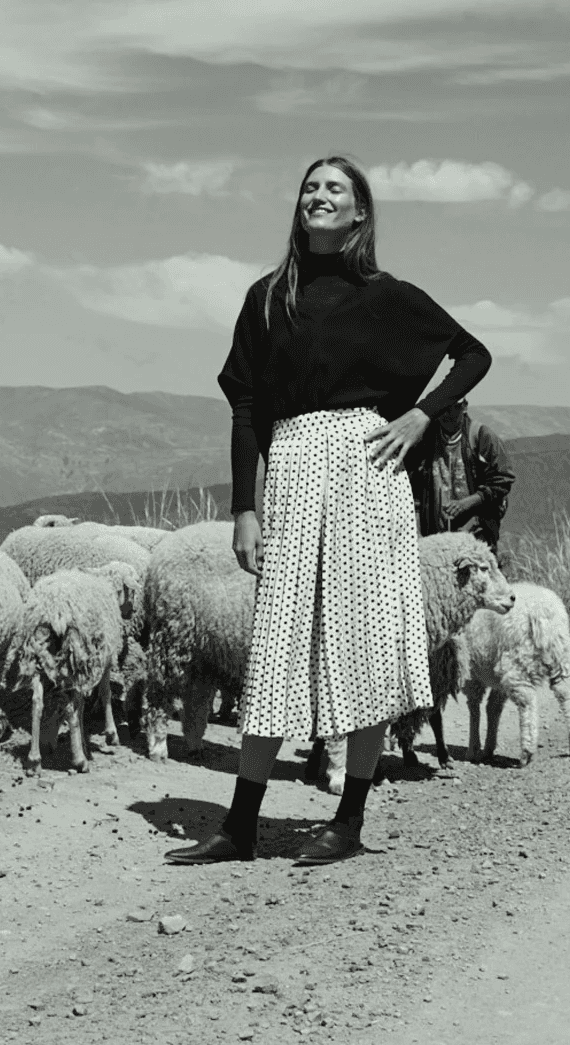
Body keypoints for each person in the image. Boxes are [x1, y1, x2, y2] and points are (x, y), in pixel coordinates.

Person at [165, 155, 492, 869]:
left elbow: (473, 355)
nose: (319, 196)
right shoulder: (267, 297)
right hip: (291, 465)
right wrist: (244, 507)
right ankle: (240, 825)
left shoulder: (388, 296)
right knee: (277, 641)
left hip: (368, 471)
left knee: (365, 641)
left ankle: (348, 821)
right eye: (310, 187)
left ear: (359, 211)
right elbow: (246, 405)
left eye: (334, 188)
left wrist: (420, 416)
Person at [406, 398, 515, 558]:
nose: (447, 414)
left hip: (477, 532)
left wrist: (467, 503)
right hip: (437, 534)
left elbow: (502, 480)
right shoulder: (426, 439)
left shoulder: (482, 436)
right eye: (442, 408)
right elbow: (414, 481)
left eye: (453, 408)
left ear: (464, 407)